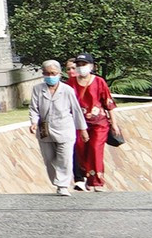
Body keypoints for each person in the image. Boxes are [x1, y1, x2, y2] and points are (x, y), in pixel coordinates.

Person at [29, 58, 88, 196]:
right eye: (47, 73)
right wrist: (33, 122)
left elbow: (76, 110)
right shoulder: (37, 89)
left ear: (59, 74)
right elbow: (34, 108)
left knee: (65, 158)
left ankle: (63, 185)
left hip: (64, 128)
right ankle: (56, 181)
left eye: (53, 73)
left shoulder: (67, 90)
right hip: (44, 127)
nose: (50, 76)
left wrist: (82, 129)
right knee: (49, 159)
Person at [69, 53, 115, 191]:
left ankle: (97, 181)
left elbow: (108, 103)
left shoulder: (99, 82)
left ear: (91, 66)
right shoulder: (71, 83)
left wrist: (114, 124)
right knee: (80, 149)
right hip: (79, 123)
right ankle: (85, 177)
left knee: (95, 148)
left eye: (83, 64)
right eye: (78, 65)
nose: (81, 67)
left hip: (99, 123)